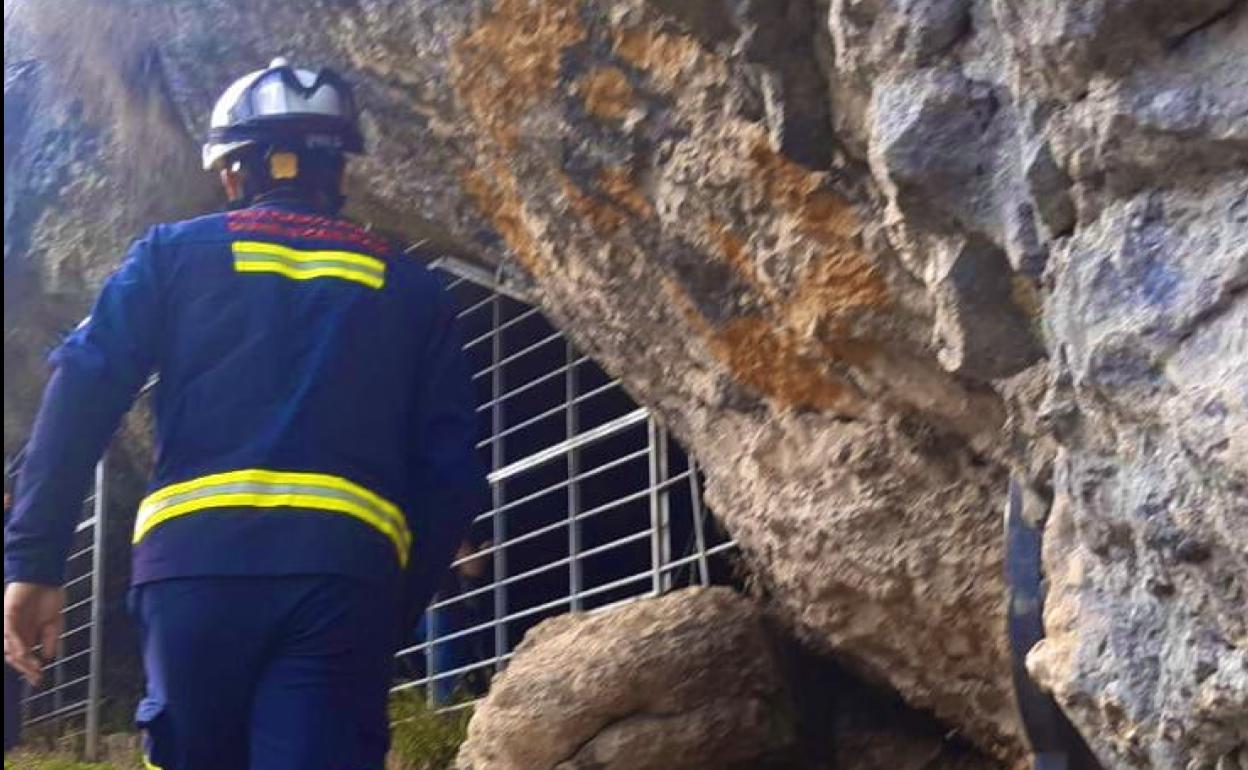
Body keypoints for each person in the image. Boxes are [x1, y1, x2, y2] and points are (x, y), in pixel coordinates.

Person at [2, 59, 487, 770]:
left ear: (230, 172)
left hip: (192, 576)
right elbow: (452, 477)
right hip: (341, 580)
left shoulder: (170, 258)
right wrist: (392, 600)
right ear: (340, 171)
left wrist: (34, 562)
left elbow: (82, 390)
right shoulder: (413, 292)